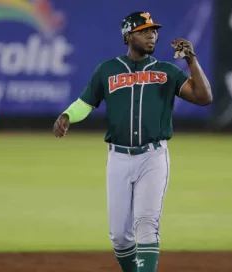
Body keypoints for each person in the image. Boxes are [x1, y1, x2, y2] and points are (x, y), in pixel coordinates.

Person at [53, 11, 212, 272]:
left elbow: (203, 97)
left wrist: (192, 60)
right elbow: (86, 103)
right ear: (128, 36)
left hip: (153, 156)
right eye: (144, 30)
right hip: (118, 158)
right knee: (119, 236)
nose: (152, 35)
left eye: (154, 30)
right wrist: (68, 115)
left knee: (147, 223)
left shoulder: (166, 71)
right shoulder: (107, 70)